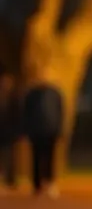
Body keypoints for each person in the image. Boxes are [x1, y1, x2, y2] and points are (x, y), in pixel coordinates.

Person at [22, 68, 64, 198]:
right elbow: (26, 113)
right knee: (35, 158)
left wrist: (59, 128)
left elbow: (60, 111)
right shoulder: (32, 94)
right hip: (36, 130)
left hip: (50, 130)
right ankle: (37, 186)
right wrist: (27, 129)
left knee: (50, 158)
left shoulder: (55, 93)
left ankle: (50, 183)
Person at [0, 69, 20, 192]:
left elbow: (17, 115)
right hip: (2, 130)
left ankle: (10, 180)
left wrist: (17, 131)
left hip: (9, 132)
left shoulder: (14, 98)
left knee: (10, 156)